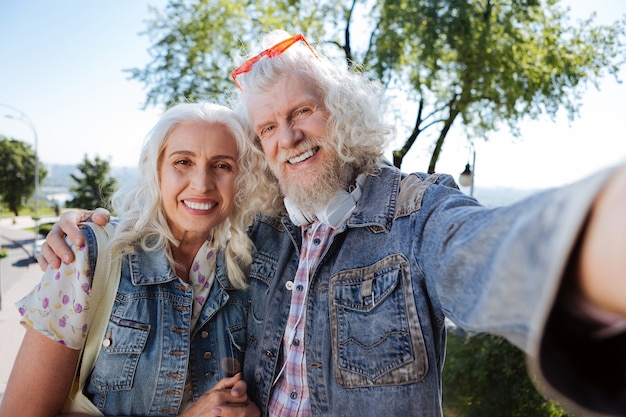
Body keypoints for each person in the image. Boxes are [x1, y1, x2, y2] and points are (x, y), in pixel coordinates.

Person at [39, 31, 626, 417]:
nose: (287, 138)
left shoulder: (413, 213)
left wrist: (595, 233)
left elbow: (487, 251)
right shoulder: (263, 231)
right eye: (267, 128)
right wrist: (87, 230)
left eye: (302, 113)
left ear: (340, 112)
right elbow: (179, 215)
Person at [0, 103, 266, 417]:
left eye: (222, 165)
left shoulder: (254, 266)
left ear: (243, 177)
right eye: (183, 161)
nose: (201, 183)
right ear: (157, 171)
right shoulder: (87, 255)